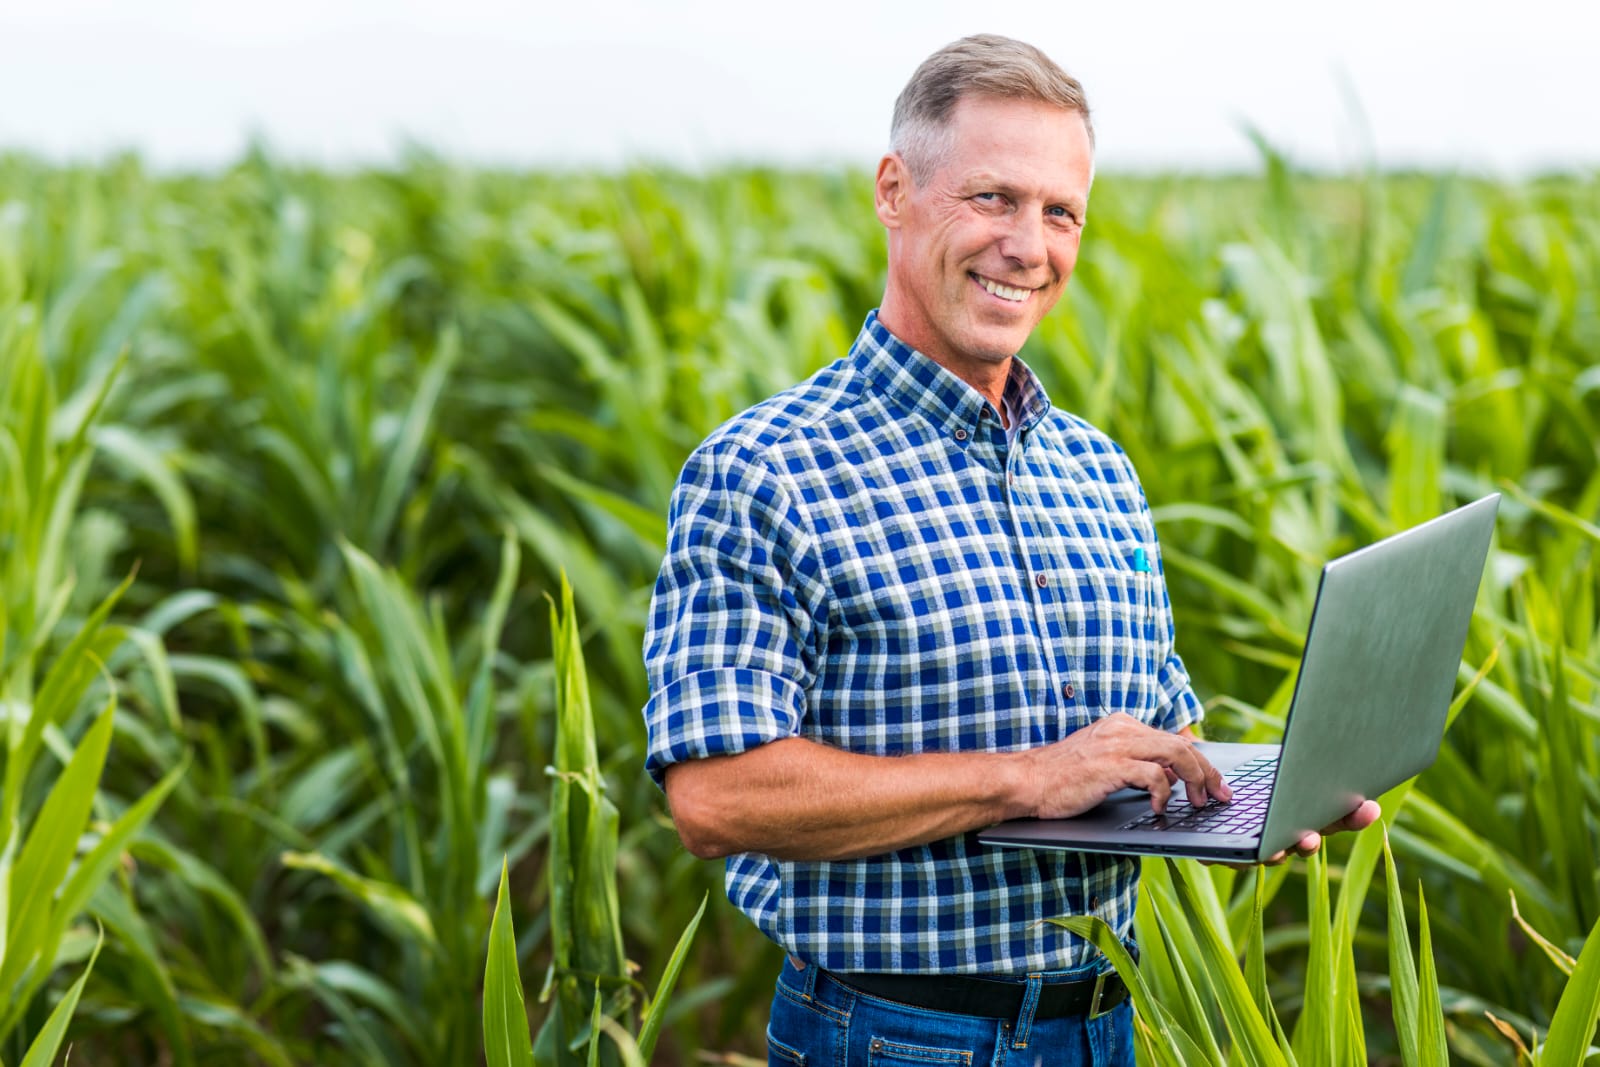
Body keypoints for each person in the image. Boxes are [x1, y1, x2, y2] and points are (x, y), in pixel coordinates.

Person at [642, 33, 1379, 1065]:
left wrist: (1255, 792)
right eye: (992, 198)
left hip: (1106, 1025)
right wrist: (1022, 777)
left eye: (1058, 210)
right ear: (895, 190)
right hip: (895, 1034)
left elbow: (1146, 732)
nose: (1027, 245)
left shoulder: (1096, 469)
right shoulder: (765, 470)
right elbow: (715, 795)